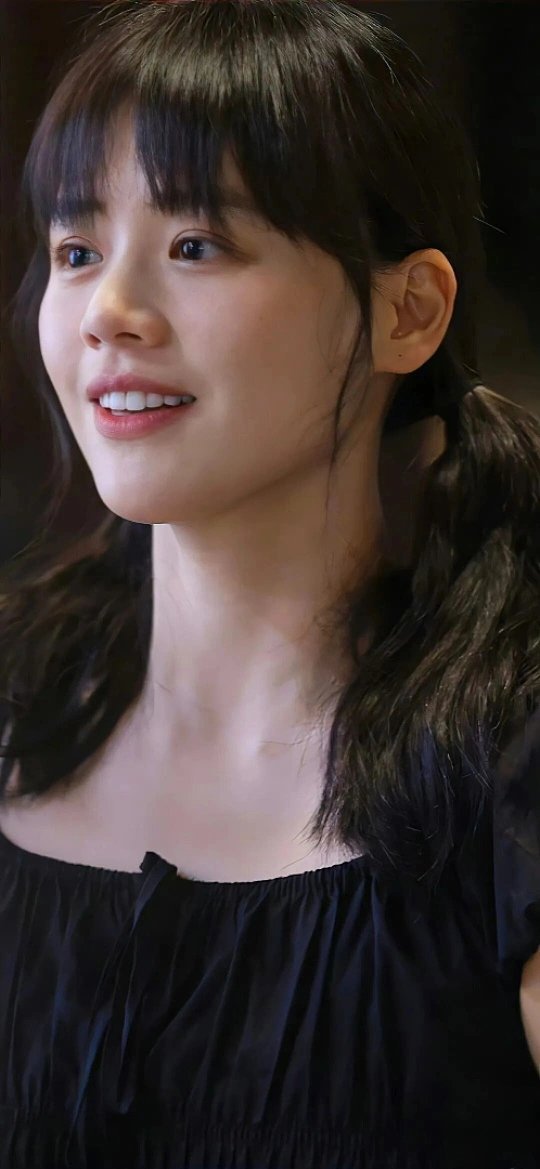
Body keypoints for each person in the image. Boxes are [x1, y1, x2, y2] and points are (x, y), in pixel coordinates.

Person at [0, 2, 539, 1165]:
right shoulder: (15, 701)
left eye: (197, 244)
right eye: (77, 250)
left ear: (408, 311)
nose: (109, 314)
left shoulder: (511, 762)